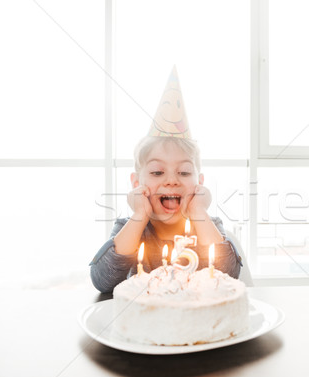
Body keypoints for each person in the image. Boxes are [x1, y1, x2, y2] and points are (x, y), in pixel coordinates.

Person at [89, 67, 242, 293]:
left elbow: (229, 274)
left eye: (184, 172)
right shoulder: (128, 228)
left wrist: (199, 213)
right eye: (157, 172)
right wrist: (139, 216)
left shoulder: (209, 226)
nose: (171, 181)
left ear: (199, 183)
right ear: (135, 183)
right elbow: (103, 281)